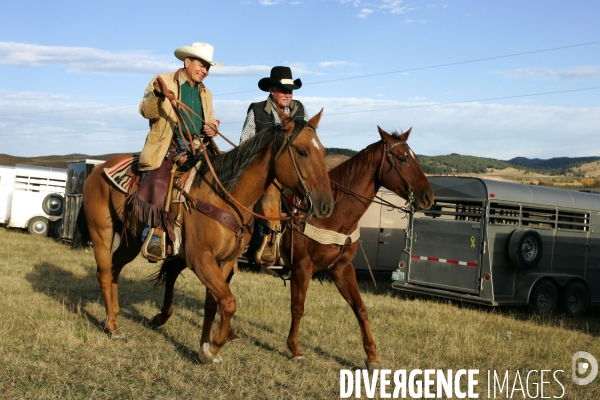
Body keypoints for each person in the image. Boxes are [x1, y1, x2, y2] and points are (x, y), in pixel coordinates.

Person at [137, 42, 222, 259]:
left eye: (207, 67)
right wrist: (157, 96)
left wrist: (212, 128)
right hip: (170, 146)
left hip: (199, 147)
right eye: (201, 65)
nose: (204, 71)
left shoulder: (206, 93)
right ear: (187, 62)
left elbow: (210, 120)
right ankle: (155, 234)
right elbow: (146, 111)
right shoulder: (163, 81)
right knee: (158, 182)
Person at [240, 66, 310, 271]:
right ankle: (266, 245)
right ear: (272, 90)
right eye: (283, 90)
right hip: (263, 172)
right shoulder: (257, 110)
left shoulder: (300, 110)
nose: (288, 95)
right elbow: (245, 142)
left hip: (292, 171)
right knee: (269, 195)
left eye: (290, 90)